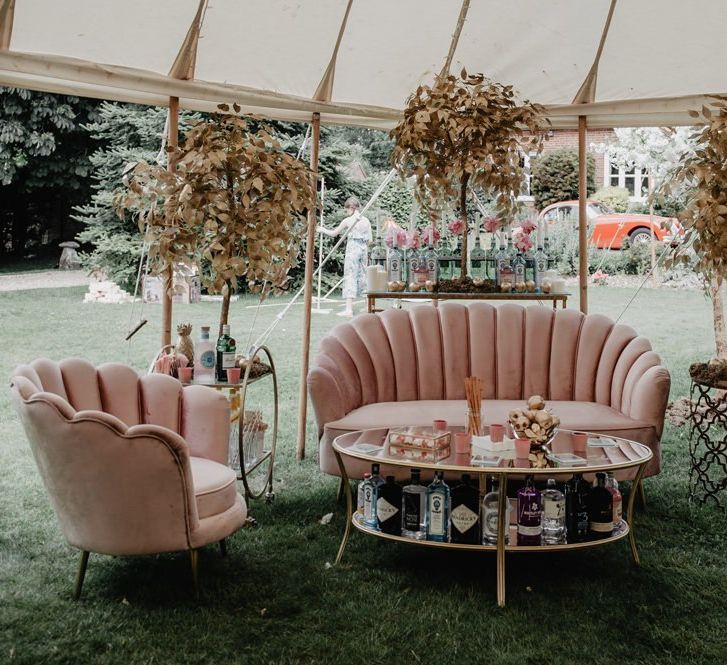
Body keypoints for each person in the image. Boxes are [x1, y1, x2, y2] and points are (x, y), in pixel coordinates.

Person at [317, 196, 372, 316]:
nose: (346, 212)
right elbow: (370, 240)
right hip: (364, 249)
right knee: (363, 275)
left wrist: (322, 230)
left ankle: (349, 309)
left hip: (353, 249)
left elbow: (333, 233)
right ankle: (367, 306)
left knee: (350, 275)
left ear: (351, 208)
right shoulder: (366, 220)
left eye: (347, 210)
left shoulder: (349, 220)